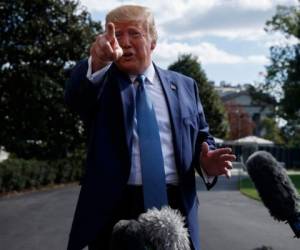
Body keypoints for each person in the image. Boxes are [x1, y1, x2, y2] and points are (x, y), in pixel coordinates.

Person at [65, 5, 236, 250]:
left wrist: (206, 162)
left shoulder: (186, 86)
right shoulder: (101, 81)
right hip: (114, 210)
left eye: (134, 33)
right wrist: (98, 59)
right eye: (117, 35)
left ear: (153, 42)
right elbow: (75, 97)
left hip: (175, 208)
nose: (124, 42)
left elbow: (200, 136)